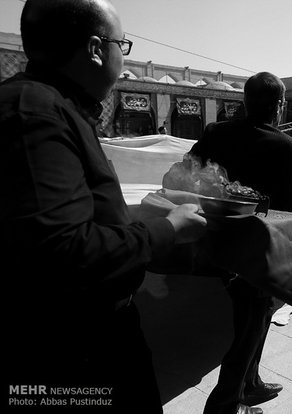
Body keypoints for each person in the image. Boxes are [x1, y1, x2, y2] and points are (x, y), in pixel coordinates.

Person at [0, 1, 208, 412]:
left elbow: (54, 220)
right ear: (96, 48)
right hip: (73, 351)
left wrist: (132, 216)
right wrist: (168, 230)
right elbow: (62, 252)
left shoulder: (55, 107)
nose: (122, 58)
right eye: (122, 45)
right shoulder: (35, 114)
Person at [190, 72, 292, 414]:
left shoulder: (215, 133)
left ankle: (250, 383)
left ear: (244, 103)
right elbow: (290, 212)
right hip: (254, 251)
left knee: (258, 317)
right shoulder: (287, 147)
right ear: (280, 107)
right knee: (250, 327)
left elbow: (187, 170)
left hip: (213, 238)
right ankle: (225, 404)